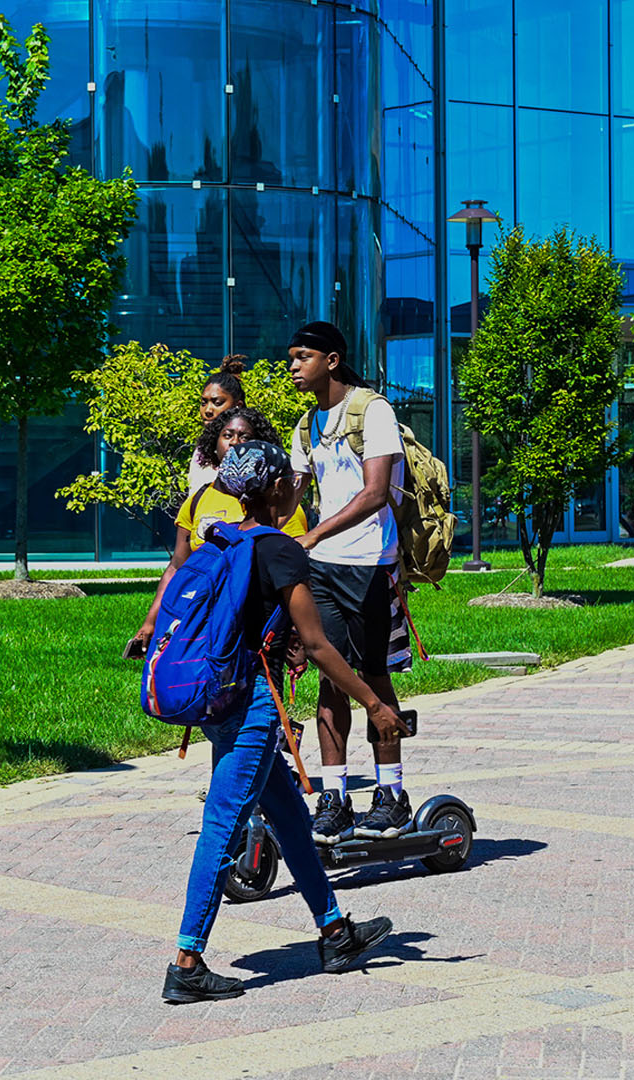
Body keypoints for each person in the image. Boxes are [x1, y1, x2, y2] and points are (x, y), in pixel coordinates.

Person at [163, 441, 402, 1004]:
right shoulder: (280, 550)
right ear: (275, 488)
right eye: (292, 480)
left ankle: (335, 933)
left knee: (292, 819)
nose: (298, 485)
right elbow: (318, 645)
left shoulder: (223, 539)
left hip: (220, 699)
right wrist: (374, 704)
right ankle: (186, 963)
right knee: (222, 827)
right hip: (252, 706)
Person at [284, 321, 415, 842]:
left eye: (303, 356)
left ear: (332, 360)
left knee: (374, 676)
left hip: (369, 563)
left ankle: (391, 794)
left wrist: (314, 534)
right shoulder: (305, 425)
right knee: (330, 677)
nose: (294, 366)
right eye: (291, 358)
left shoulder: (372, 411)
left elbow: (376, 492)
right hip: (321, 567)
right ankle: (335, 798)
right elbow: (290, 498)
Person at [129, 406, 306, 657]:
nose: (234, 443)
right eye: (227, 435)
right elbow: (177, 565)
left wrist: (295, 632)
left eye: (245, 437)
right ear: (214, 444)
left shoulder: (277, 503)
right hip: (200, 621)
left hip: (253, 629)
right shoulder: (198, 499)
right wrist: (151, 621)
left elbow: (293, 575)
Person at [188, 358, 250, 493]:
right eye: (203, 403)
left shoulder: (248, 448)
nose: (208, 410)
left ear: (238, 405)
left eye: (217, 403)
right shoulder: (201, 451)